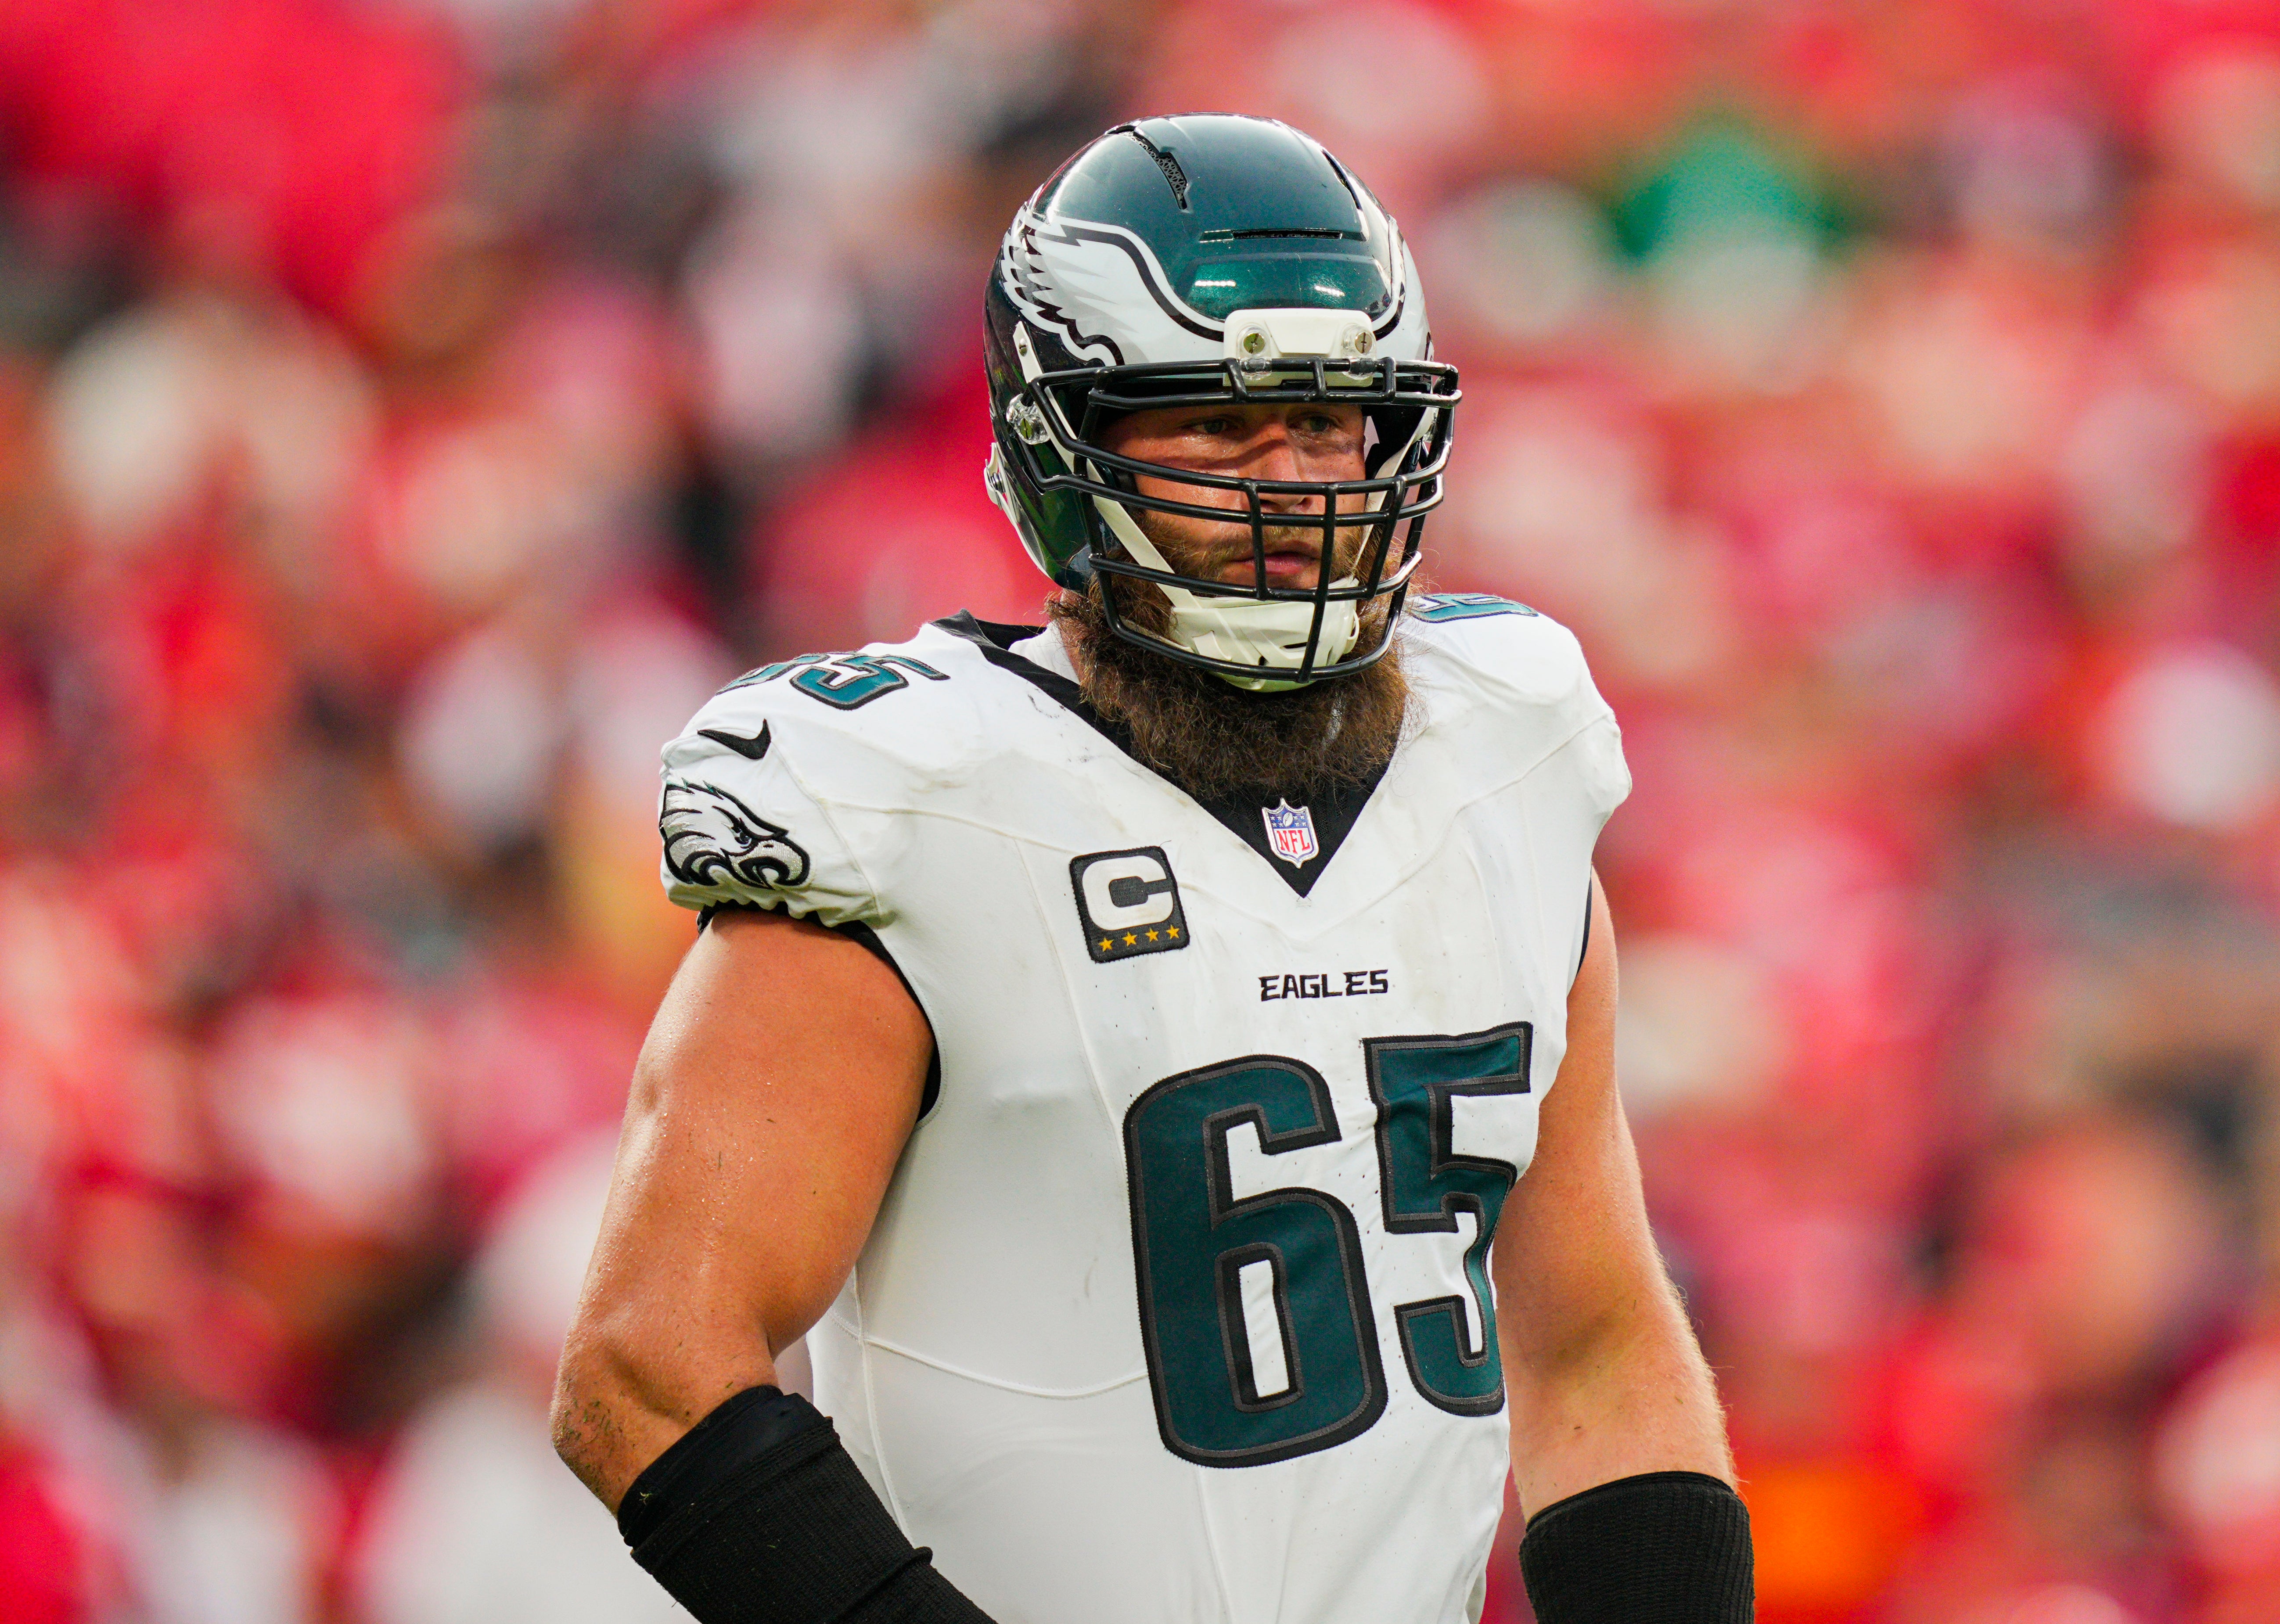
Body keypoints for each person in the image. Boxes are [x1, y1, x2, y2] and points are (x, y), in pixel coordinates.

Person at [552, 113, 1751, 1624]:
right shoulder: (921, 799)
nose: (1296, 484)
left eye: (1331, 421)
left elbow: (1595, 1338)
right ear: (1067, 445)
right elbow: (650, 1367)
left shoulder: (1503, 756)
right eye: (1214, 423)